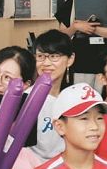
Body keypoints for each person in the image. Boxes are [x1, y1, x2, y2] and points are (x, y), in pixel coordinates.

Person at [30, 29, 77, 161]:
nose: (46, 63)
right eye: (40, 56)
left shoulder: (75, 98)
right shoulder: (27, 99)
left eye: (54, 56)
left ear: (70, 59)